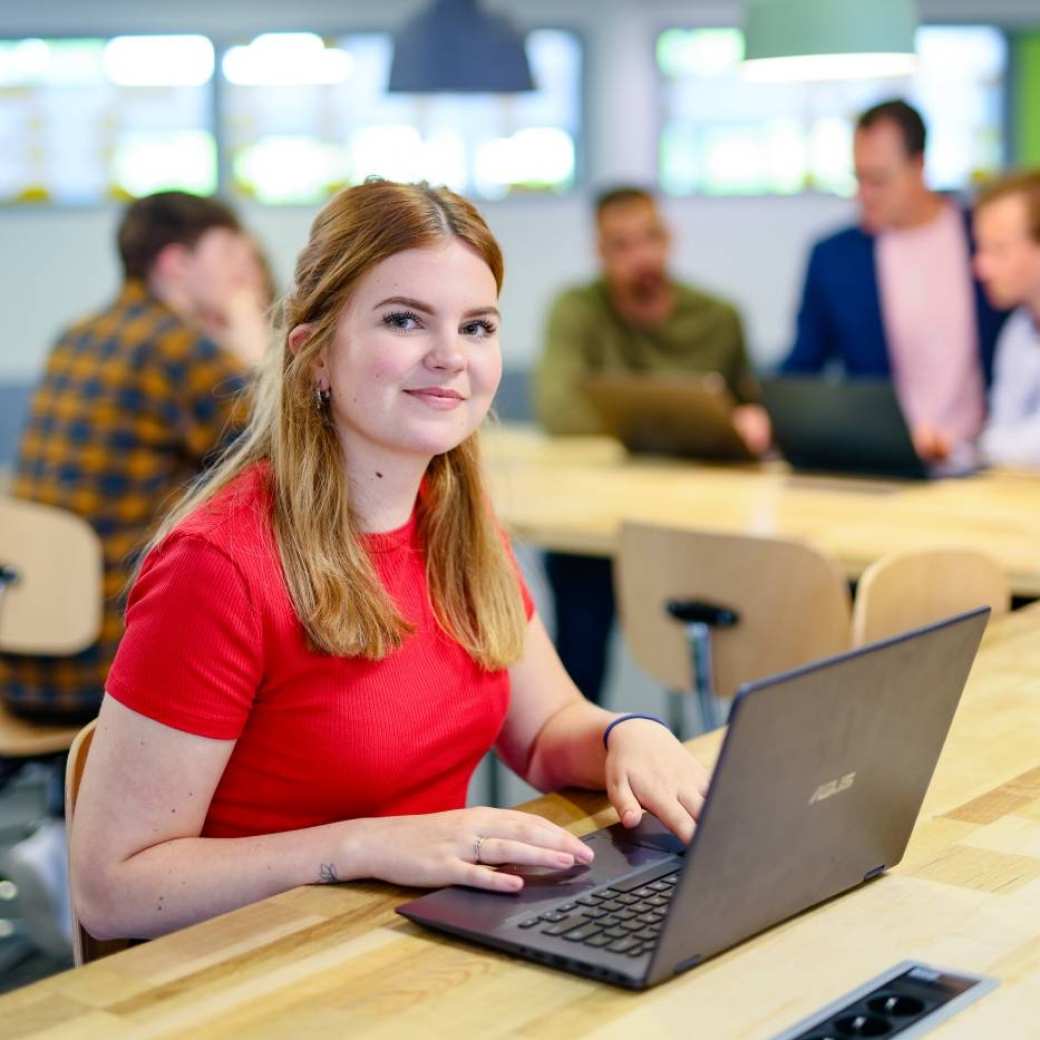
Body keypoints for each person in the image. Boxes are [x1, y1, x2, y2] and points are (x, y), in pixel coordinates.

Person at [70, 180, 710, 943]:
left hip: (413, 939)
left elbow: (543, 732)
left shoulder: (455, 522)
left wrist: (622, 734)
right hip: (256, 966)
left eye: (477, 327)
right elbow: (112, 889)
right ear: (315, 355)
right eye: (404, 319)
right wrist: (361, 844)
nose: (450, 357)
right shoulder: (217, 565)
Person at [0, 191, 269, 724]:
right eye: (229, 257)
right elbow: (291, 456)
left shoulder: (77, 335)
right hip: (112, 660)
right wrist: (253, 345)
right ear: (175, 264)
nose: (245, 273)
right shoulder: (176, 348)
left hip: (24, 651)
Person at [533, 185, 769, 705]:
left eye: (650, 239)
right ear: (599, 252)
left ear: (669, 239)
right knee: (578, 616)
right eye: (621, 245)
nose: (640, 257)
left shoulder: (717, 317)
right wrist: (684, 417)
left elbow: (748, 420)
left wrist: (625, 409)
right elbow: (558, 410)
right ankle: (575, 742)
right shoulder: (577, 310)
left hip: (697, 521)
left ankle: (714, 740)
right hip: (597, 521)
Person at [781, 99, 1008, 463]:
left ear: (919, 166)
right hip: (882, 461)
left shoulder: (983, 239)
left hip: (985, 461)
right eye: (858, 178)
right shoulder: (834, 257)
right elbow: (802, 366)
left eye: (879, 180)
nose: (864, 195)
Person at [974, 170, 1040, 466]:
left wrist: (982, 446)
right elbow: (1003, 434)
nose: (980, 267)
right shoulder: (1018, 331)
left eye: (998, 249)